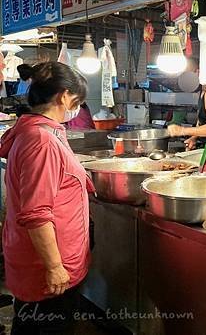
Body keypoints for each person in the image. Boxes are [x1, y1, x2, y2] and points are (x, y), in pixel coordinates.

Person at [0, 62, 95, 334]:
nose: (76, 108)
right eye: (77, 101)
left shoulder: (38, 132)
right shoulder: (41, 141)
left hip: (41, 261)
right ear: (64, 96)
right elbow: (36, 213)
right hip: (46, 268)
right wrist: (55, 267)